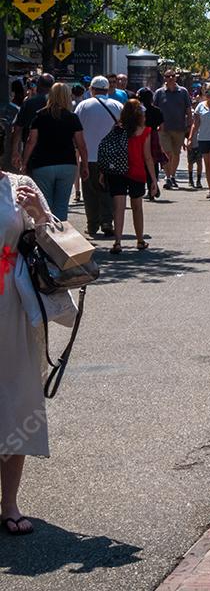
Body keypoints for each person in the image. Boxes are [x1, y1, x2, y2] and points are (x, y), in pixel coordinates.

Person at [1, 171, 56, 535]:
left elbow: (56, 239)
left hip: (12, 306)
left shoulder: (18, 184)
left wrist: (38, 213)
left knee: (17, 399)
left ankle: (10, 503)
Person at [19, 82, 89, 221]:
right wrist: (85, 165)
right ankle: (61, 236)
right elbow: (81, 145)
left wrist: (24, 162)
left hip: (43, 164)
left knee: (45, 205)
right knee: (62, 205)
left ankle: (47, 237)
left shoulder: (40, 115)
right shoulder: (72, 117)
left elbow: (31, 141)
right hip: (67, 164)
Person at [105, 99, 157, 254]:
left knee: (118, 207)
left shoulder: (117, 128)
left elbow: (109, 150)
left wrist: (103, 171)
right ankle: (140, 240)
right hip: (136, 171)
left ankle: (118, 242)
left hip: (117, 171)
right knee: (137, 207)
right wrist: (153, 179)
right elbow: (147, 157)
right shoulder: (144, 131)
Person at [75, 76, 121, 237]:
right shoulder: (117, 105)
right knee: (107, 190)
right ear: (107, 89)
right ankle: (107, 221)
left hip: (88, 156)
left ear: (92, 89)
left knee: (89, 192)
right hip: (111, 157)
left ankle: (92, 224)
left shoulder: (83, 106)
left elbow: (76, 130)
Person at [154, 70, 192, 189]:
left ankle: (173, 176)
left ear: (176, 78)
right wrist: (157, 124)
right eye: (168, 76)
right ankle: (168, 176)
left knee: (176, 153)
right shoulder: (159, 93)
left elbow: (188, 109)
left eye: (173, 76)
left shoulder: (183, 92)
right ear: (164, 78)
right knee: (166, 153)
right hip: (164, 129)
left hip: (179, 128)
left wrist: (189, 125)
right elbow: (155, 109)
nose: (170, 78)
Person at [10, 74, 54, 171]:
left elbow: (18, 128)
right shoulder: (58, 103)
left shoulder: (29, 103)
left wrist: (15, 151)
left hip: (33, 154)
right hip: (56, 154)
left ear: (38, 85)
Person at [137, 88, 165, 201]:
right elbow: (161, 127)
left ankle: (148, 187)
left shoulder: (139, 111)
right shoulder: (157, 110)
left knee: (143, 162)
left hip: (141, 135)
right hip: (153, 135)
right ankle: (153, 185)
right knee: (153, 162)